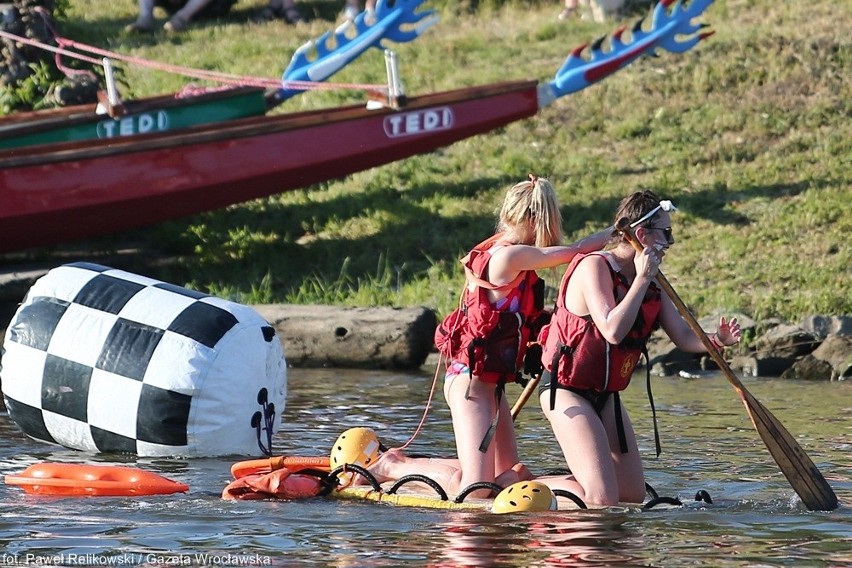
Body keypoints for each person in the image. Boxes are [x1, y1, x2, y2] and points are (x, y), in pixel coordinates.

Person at [536, 190, 742, 507]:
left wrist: (717, 340)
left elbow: (685, 338)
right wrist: (643, 279)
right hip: (565, 389)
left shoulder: (651, 281)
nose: (670, 242)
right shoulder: (595, 267)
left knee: (631, 496)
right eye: (666, 233)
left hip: (605, 394)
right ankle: (533, 486)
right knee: (603, 498)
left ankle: (583, 479)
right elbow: (613, 330)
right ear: (642, 235)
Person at [432, 175, 614, 498]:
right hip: (469, 384)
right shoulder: (508, 257)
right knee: (475, 491)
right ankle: (396, 465)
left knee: (509, 476)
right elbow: (572, 252)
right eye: (548, 221)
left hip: (492, 386)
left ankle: (469, 470)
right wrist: (614, 233)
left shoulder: (512, 252)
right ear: (534, 219)